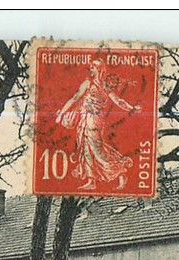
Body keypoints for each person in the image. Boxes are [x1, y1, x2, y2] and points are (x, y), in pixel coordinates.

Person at [55, 59, 138, 191]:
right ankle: (91, 180)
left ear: (98, 69)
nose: (91, 70)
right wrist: (61, 114)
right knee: (85, 148)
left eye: (93, 67)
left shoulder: (104, 86)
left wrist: (131, 108)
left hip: (94, 120)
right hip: (84, 119)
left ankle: (120, 171)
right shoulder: (89, 83)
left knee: (97, 151)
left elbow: (118, 101)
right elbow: (75, 98)